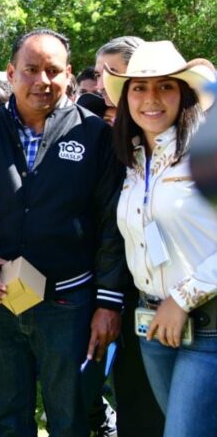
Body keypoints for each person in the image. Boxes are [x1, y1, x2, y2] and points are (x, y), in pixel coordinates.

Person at [0, 30, 128, 436]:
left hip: (68, 306)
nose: (42, 80)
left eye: (53, 70)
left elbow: (111, 224)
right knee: (7, 418)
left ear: (68, 74)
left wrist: (108, 303)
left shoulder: (96, 135)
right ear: (11, 72)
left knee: (68, 419)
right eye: (31, 69)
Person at [104, 42, 217, 437]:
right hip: (153, 327)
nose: (151, 98)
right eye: (139, 88)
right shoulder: (132, 162)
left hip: (208, 326)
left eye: (165, 87)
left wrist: (183, 298)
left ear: (184, 94)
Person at [93, 35, 164, 437]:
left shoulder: (196, 149)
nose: (105, 85)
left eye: (114, 74)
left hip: (191, 309)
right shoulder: (125, 149)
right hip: (131, 295)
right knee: (136, 403)